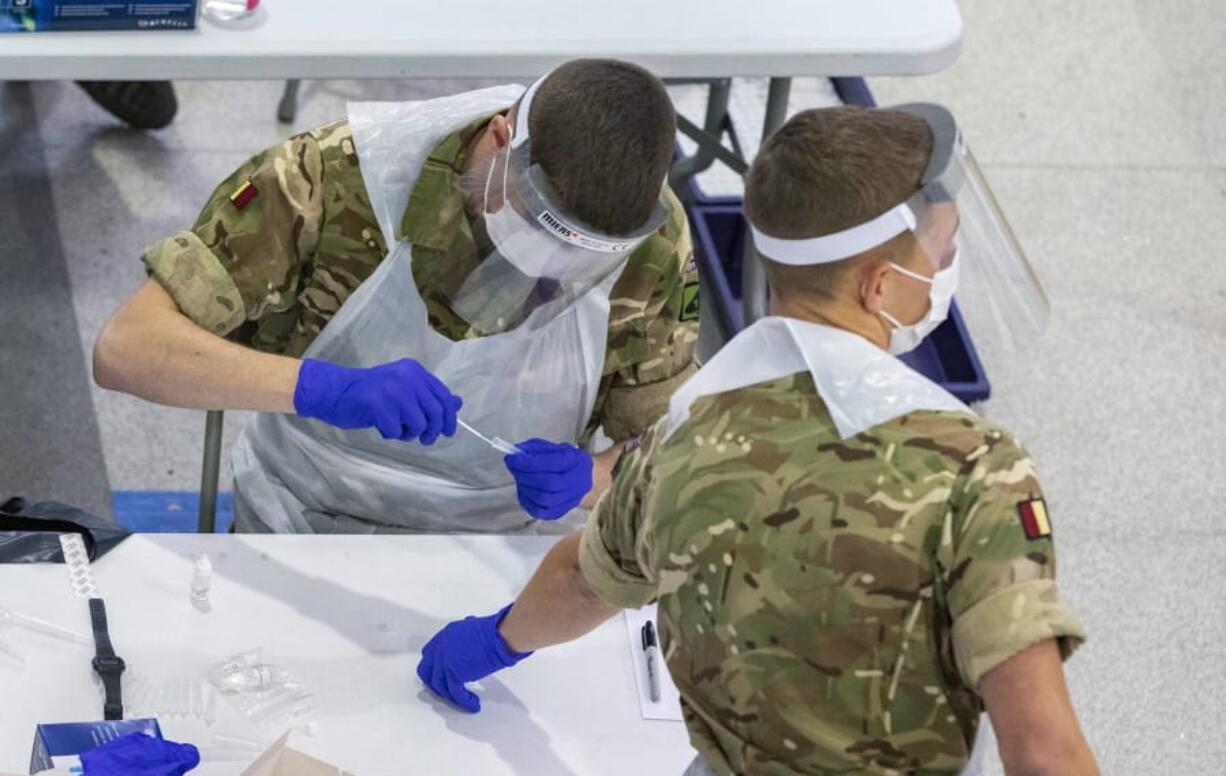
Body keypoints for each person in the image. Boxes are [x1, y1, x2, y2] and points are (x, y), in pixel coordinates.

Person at [416, 105, 1099, 775]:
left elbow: (584, 580)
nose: (950, 267)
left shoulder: (683, 438)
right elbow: (1042, 749)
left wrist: (496, 641)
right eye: (943, 251)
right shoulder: (974, 473)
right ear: (881, 286)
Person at [93, 60, 699, 533]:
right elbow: (126, 350)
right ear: (499, 138)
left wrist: (593, 479)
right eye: (538, 222)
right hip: (307, 514)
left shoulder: (652, 240)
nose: (549, 263)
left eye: (582, 255)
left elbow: (676, 445)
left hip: (509, 539)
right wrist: (322, 389)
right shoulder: (331, 177)